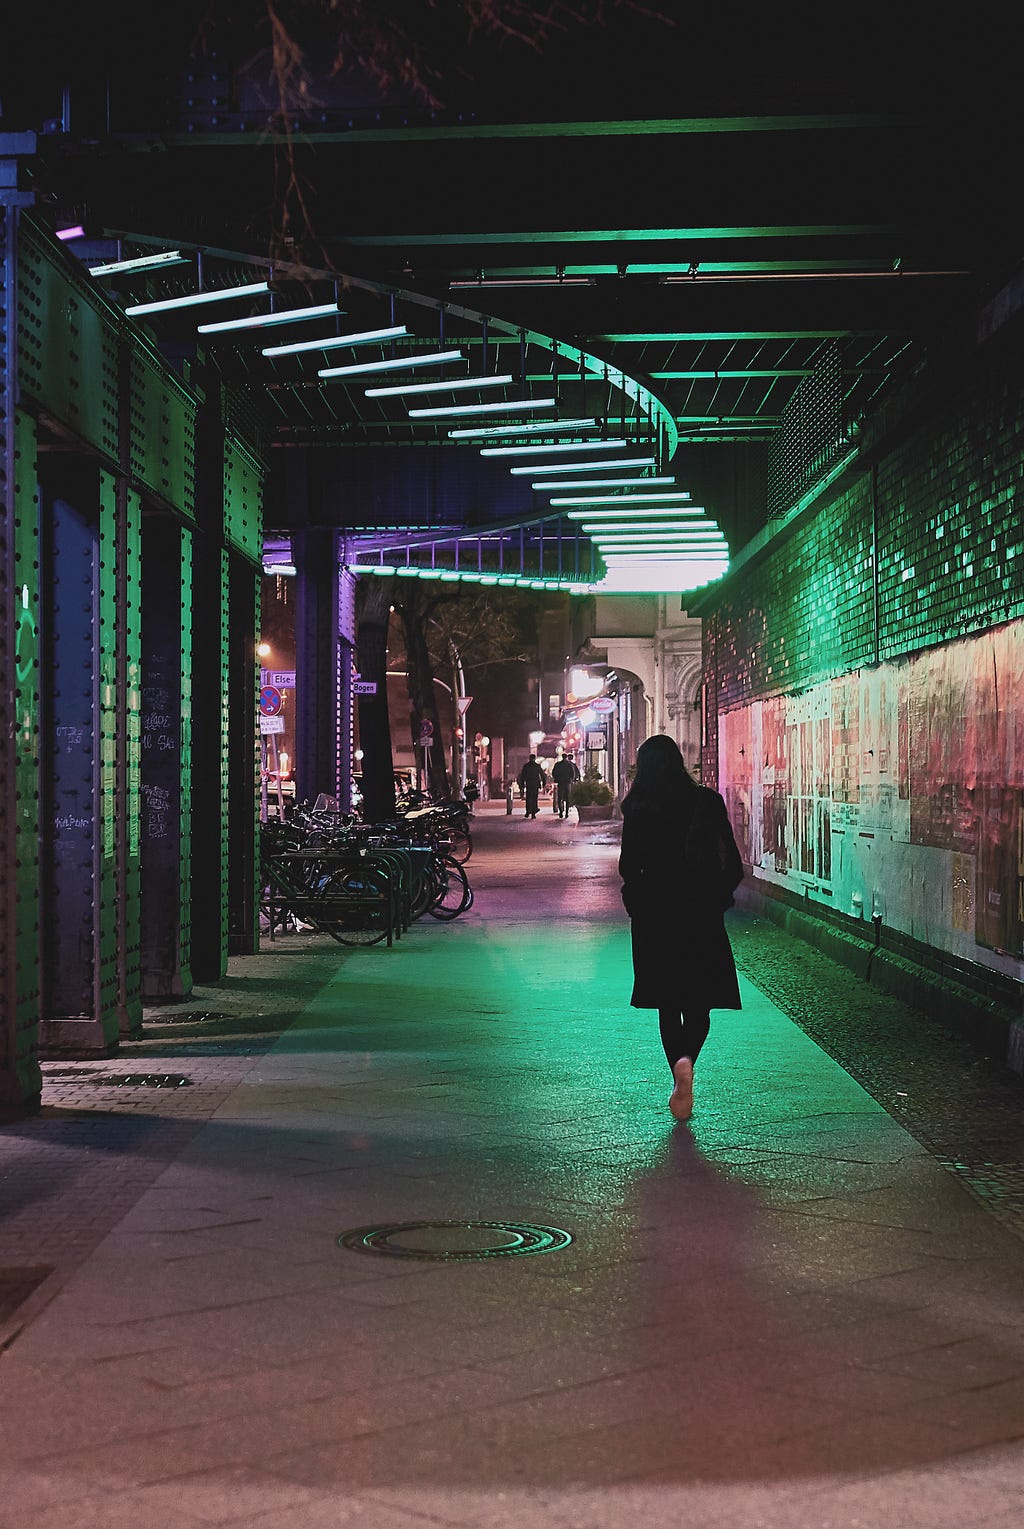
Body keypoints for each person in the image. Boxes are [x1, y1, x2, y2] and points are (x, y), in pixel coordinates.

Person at [618, 734, 744, 1122]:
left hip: (656, 916)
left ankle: (678, 1066)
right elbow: (733, 864)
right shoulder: (706, 802)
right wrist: (718, 896)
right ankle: (689, 1056)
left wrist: (639, 899)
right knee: (700, 1002)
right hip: (700, 914)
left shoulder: (638, 807)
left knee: (667, 1002)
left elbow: (628, 868)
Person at [551, 753, 580, 818]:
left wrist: (557, 779)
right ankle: (566, 813)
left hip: (560, 783)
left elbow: (554, 773)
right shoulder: (569, 765)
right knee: (567, 798)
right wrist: (571, 780)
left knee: (560, 798)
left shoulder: (558, 764)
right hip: (567, 783)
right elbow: (573, 774)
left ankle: (561, 812)